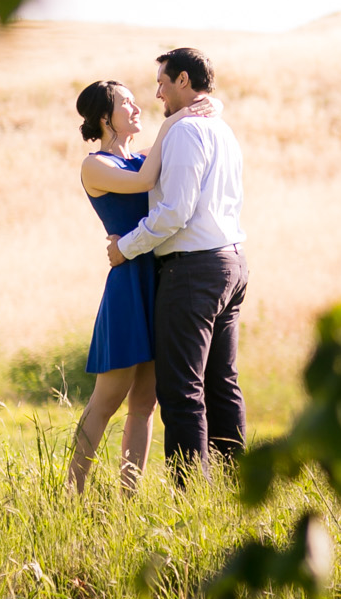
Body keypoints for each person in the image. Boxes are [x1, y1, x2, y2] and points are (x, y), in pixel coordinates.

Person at [105, 47, 248, 480]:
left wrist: (125, 247)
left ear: (184, 80)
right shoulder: (222, 129)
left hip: (193, 270)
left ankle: (192, 494)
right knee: (221, 383)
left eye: (164, 84)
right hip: (232, 263)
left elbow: (175, 212)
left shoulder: (187, 133)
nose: (158, 94)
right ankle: (232, 487)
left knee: (181, 388)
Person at [67, 78, 211, 493]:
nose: (137, 107)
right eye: (125, 103)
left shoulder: (140, 156)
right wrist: (175, 121)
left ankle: (128, 496)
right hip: (129, 285)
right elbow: (149, 180)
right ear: (103, 117)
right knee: (106, 400)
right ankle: (72, 495)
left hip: (159, 278)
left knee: (145, 403)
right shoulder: (96, 165)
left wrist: (198, 114)